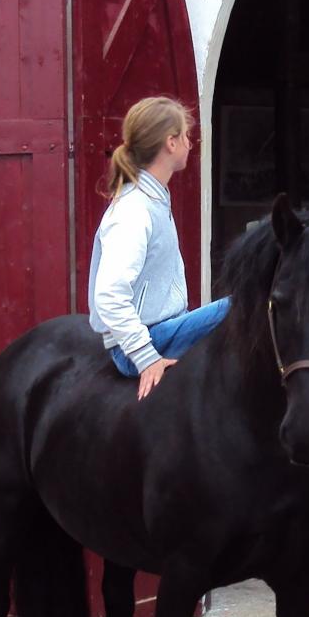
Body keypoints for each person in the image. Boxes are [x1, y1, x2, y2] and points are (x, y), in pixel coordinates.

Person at [86, 96, 230, 400]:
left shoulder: (152, 201)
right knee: (243, 306)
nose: (191, 144)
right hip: (146, 343)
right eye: (186, 136)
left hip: (163, 330)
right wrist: (146, 356)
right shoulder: (134, 210)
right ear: (171, 143)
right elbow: (109, 295)